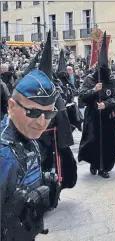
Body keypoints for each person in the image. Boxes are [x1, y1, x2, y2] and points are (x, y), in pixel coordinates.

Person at [0, 34, 59, 240]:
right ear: (11, 106)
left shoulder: (26, 136)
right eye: (33, 112)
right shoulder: (5, 154)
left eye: (49, 114)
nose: (42, 121)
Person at [78, 32, 115, 179]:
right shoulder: (89, 79)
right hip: (93, 117)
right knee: (93, 141)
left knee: (107, 143)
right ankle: (94, 163)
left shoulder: (111, 79)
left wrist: (106, 104)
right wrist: (93, 90)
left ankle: (104, 167)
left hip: (108, 117)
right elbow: (82, 94)